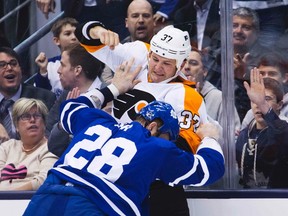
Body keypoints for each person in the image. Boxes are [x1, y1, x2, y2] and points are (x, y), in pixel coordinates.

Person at [23, 64, 224, 215]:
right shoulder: (157, 146)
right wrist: (209, 138)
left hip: (44, 199)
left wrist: (113, 88)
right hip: (95, 206)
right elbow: (208, 169)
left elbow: (70, 108)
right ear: (154, 126)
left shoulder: (98, 121)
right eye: (167, 137)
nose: (168, 142)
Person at [74, 20, 211, 216]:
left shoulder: (186, 96)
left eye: (167, 63)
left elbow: (180, 152)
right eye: (155, 59)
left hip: (158, 189)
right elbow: (86, 39)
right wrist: (98, 30)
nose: (157, 67)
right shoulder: (138, 55)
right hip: (112, 178)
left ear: (180, 65)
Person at [236, 68, 288, 188]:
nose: (258, 104)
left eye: (267, 99)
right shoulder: (243, 135)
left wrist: (263, 106)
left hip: (279, 203)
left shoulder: (284, 131)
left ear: (280, 105)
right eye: (254, 99)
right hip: (246, 203)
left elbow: (283, 134)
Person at [45, 43, 104, 137]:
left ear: (77, 70)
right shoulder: (66, 95)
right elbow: (47, 131)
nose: (58, 70)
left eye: (62, 65)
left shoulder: (108, 95)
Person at [0, 47, 56, 143]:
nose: (9, 68)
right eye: (2, 65)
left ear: (21, 70)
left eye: (13, 64)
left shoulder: (44, 98)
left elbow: (51, 137)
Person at [0, 98, 58, 190]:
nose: (32, 120)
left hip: (30, 200)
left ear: (44, 124)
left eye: (37, 116)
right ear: (16, 126)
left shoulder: (50, 148)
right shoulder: (7, 147)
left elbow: (44, 180)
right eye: (26, 116)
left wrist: (9, 197)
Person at [182, 49, 241, 132]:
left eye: (193, 63)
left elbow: (233, 139)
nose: (186, 67)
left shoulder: (220, 98)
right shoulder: (172, 93)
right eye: (183, 63)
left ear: (205, 71)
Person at [241, 51, 288, 129]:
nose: (266, 77)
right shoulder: (252, 113)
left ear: (285, 78)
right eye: (261, 74)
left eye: (272, 74)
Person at [34, 17, 79, 98]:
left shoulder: (88, 61)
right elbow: (41, 95)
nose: (74, 37)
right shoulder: (49, 65)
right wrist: (43, 71)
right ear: (57, 40)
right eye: (68, 34)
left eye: (76, 33)